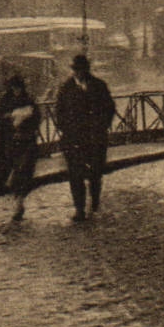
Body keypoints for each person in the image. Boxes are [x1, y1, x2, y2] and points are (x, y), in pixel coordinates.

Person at [52, 53, 114, 222]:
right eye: (76, 70)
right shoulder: (66, 89)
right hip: (73, 139)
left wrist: (102, 126)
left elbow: (109, 108)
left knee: (95, 173)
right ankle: (79, 208)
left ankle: (94, 201)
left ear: (86, 70)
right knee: (75, 174)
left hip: (95, 137)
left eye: (81, 70)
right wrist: (65, 129)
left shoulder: (99, 86)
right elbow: (59, 112)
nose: (78, 73)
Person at [0, 73, 41, 222]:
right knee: (11, 173)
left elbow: (37, 119)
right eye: (14, 88)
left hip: (26, 143)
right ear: (10, 88)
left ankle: (19, 203)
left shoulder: (29, 100)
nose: (16, 90)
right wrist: (9, 120)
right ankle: (17, 201)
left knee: (23, 172)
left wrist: (26, 126)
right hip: (9, 143)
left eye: (18, 88)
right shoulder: (4, 102)